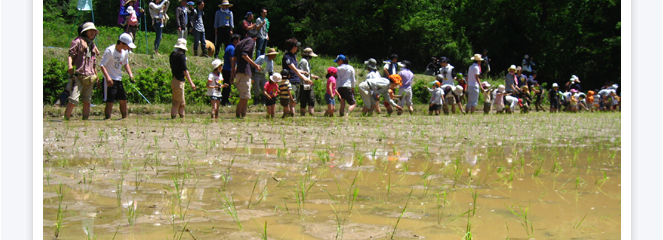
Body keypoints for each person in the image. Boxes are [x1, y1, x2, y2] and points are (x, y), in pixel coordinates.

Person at [64, 22, 100, 121]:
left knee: (87, 100)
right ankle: (66, 119)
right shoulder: (77, 42)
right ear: (85, 32)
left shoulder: (92, 45)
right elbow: (71, 55)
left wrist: (96, 76)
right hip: (79, 75)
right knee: (73, 99)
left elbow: (94, 63)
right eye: (90, 30)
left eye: (94, 31)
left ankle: (85, 120)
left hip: (90, 75)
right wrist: (70, 66)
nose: (93, 32)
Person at [100, 33, 137, 120]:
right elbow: (102, 65)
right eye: (127, 45)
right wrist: (108, 77)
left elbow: (125, 63)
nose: (128, 48)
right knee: (110, 101)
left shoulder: (125, 52)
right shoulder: (110, 51)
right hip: (110, 79)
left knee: (123, 99)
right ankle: (107, 118)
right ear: (121, 43)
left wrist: (130, 74)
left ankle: (125, 117)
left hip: (118, 78)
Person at [231, 31, 262, 118]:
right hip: (245, 72)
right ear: (255, 38)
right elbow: (244, 54)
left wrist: (232, 73)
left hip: (239, 73)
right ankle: (239, 116)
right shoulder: (251, 41)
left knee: (245, 97)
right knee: (244, 97)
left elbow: (234, 59)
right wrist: (255, 65)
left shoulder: (239, 43)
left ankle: (243, 116)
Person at [282, 38, 312, 116]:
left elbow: (296, 69)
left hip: (296, 80)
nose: (297, 48)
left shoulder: (293, 56)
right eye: (296, 46)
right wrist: (304, 78)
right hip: (290, 80)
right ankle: (289, 115)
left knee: (294, 101)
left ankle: (291, 115)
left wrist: (303, 72)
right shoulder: (287, 57)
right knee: (291, 100)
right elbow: (294, 69)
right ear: (293, 47)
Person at [169, 38, 197, 119]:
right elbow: (185, 70)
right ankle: (173, 119)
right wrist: (191, 83)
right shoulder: (181, 56)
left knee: (182, 103)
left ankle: (182, 118)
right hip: (179, 82)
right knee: (176, 103)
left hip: (174, 80)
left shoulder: (172, 55)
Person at [297, 47, 320, 116]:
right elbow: (301, 72)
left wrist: (313, 76)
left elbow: (307, 73)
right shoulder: (303, 61)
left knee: (311, 99)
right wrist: (306, 79)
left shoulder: (307, 62)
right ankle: (303, 114)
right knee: (304, 100)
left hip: (308, 84)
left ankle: (311, 114)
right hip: (303, 84)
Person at [221, 34, 240, 106]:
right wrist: (233, 72)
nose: (239, 41)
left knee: (227, 86)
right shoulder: (232, 48)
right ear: (235, 40)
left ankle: (225, 100)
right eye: (238, 40)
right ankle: (225, 101)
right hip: (228, 69)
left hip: (227, 69)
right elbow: (232, 61)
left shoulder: (229, 47)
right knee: (227, 86)